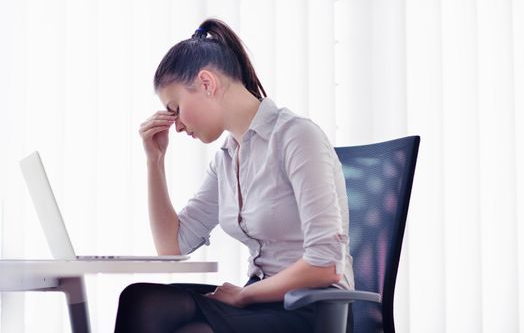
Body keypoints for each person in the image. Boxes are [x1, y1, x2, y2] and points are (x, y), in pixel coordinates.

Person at [114, 18, 354, 333]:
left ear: (206, 83)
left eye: (175, 109)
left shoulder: (296, 137)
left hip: (314, 309)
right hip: (259, 301)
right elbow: (171, 249)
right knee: (142, 300)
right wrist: (154, 161)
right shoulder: (227, 159)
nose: (177, 125)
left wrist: (244, 296)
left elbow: (325, 265)